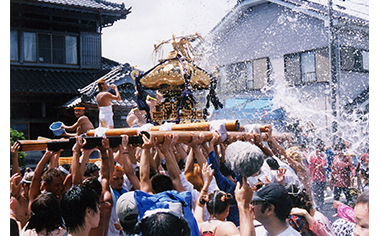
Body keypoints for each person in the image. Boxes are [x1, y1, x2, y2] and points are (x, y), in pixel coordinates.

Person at [194, 163, 240, 236]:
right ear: (227, 209)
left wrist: (207, 182)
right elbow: (199, 205)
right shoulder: (228, 227)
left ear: (207, 207)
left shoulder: (198, 225)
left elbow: (199, 205)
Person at [308, 139, 327, 210]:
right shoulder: (312, 155)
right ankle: (316, 204)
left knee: (321, 191)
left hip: (321, 176)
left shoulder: (323, 155)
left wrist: (320, 165)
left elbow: (324, 163)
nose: (317, 150)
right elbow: (310, 166)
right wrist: (309, 174)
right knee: (315, 191)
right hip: (314, 176)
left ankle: (321, 204)